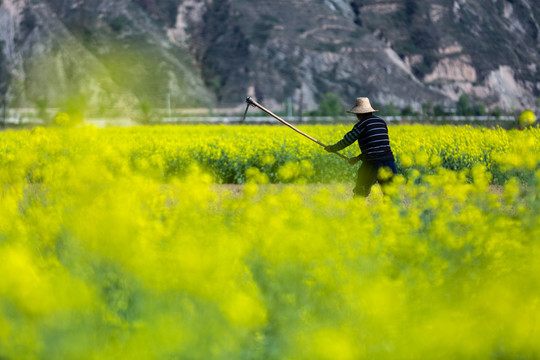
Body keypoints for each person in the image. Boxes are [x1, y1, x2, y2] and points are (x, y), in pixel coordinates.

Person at [325, 97, 397, 197]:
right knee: (391, 193)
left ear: (359, 114)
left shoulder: (361, 125)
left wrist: (332, 148)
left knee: (360, 192)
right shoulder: (381, 122)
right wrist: (358, 158)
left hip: (372, 163)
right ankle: (396, 212)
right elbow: (377, 146)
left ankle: (356, 211)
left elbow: (347, 140)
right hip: (389, 161)